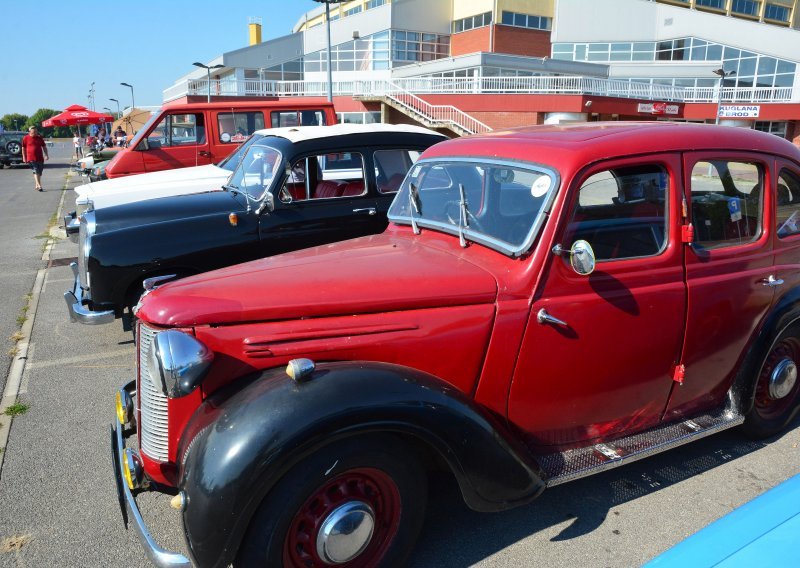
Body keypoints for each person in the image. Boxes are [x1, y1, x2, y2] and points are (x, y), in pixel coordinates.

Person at [21, 125, 48, 191]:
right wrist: (24, 157)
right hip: (31, 158)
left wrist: (46, 155)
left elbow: (44, 146)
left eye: (36, 131)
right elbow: (23, 148)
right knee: (36, 170)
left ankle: (37, 184)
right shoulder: (25, 138)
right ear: (30, 132)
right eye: (33, 132)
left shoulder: (39, 138)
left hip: (40, 157)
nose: (35, 133)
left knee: (40, 172)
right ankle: (39, 185)